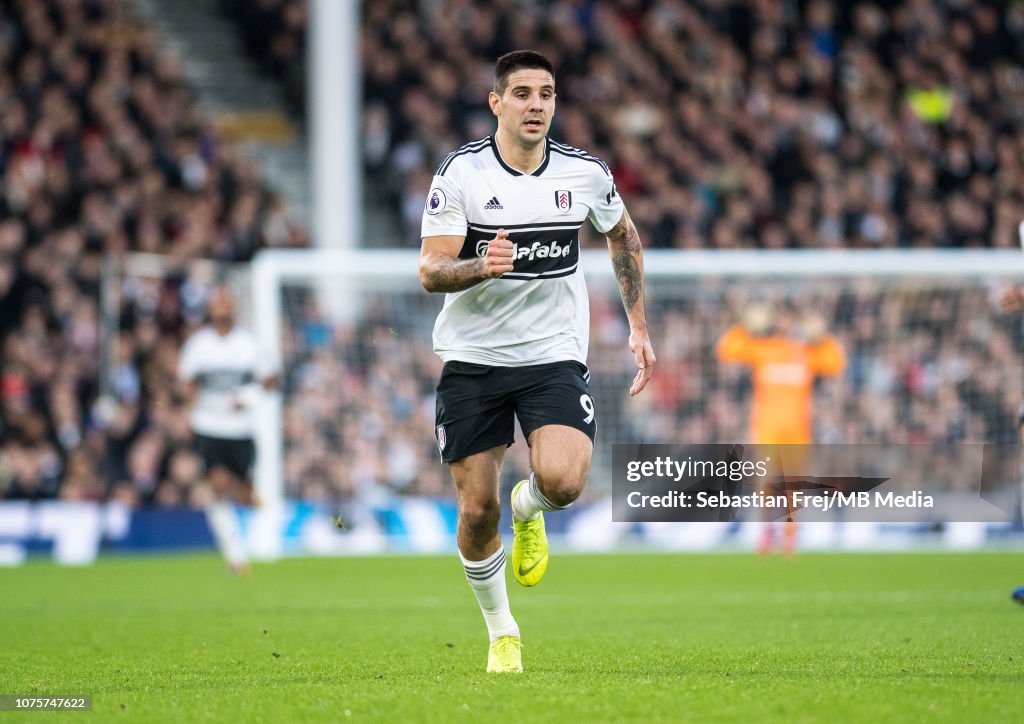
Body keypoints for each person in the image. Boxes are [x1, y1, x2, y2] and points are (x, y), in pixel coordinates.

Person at [419, 50, 655, 673]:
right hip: (473, 358)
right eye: (521, 93)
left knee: (564, 482)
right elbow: (430, 270)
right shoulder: (461, 175)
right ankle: (502, 631)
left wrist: (637, 325)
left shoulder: (585, 174)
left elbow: (622, 234)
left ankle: (529, 511)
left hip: (552, 354)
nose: (536, 105)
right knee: (475, 510)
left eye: (546, 94)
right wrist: (478, 266)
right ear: (496, 103)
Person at [715, 302, 845, 554]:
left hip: (797, 429)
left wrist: (822, 335)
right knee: (766, 482)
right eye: (781, 317)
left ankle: (790, 534)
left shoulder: (807, 351)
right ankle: (766, 532)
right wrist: (746, 326)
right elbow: (726, 349)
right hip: (766, 428)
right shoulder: (763, 348)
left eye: (790, 318)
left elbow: (835, 361)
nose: (786, 323)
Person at [178, 286, 278, 575]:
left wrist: (247, 398)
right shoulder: (198, 345)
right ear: (210, 309)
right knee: (218, 486)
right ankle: (236, 558)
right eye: (217, 302)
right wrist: (191, 399)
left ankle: (261, 513)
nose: (221, 307)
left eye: (226, 301)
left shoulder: (251, 343)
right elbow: (185, 381)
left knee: (244, 495)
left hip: (241, 429)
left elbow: (272, 380)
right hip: (209, 427)